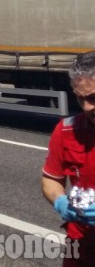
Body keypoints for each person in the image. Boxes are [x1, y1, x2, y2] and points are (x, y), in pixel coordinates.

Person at [42, 50, 95, 265]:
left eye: (93, 97)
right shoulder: (66, 131)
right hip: (82, 245)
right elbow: (51, 179)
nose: (87, 107)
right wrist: (61, 202)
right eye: (80, 98)